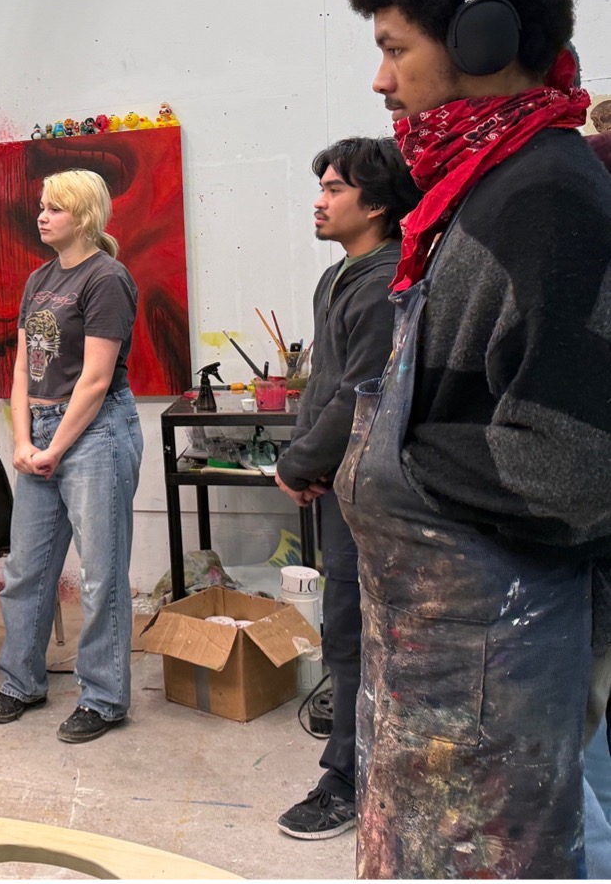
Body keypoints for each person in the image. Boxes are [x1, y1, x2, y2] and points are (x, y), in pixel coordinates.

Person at [338, 0, 611, 876]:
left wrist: (399, 461)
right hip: (452, 670)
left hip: (497, 674)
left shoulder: (545, 195)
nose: (378, 78)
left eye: (395, 46)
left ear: (482, 36)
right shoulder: (477, 184)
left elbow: (573, 468)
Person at [271, 137, 422, 841]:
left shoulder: (387, 282)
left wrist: (300, 462)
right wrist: (309, 460)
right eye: (322, 185)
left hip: (373, 496)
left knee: (358, 631)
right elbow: (325, 386)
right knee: (344, 627)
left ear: (379, 204)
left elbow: (357, 399)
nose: (319, 198)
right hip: (341, 484)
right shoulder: (341, 276)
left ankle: (348, 778)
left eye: (334, 188)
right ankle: (355, 761)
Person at [0, 168, 142, 744]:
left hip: (95, 433)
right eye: (42, 206)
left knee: (101, 575)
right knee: (27, 569)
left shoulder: (107, 278)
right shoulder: (39, 280)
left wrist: (54, 446)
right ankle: (20, 681)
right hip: (44, 432)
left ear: (84, 214)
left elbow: (97, 379)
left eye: (54, 208)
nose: (41, 215)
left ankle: (102, 698)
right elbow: (24, 368)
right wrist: (23, 442)